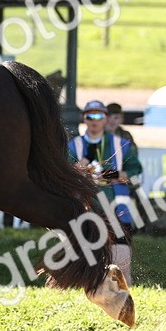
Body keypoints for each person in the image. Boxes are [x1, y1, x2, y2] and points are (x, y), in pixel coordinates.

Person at [68, 100, 142, 234]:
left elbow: (135, 171)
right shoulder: (74, 145)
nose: (94, 121)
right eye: (90, 116)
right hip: (85, 203)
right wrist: (84, 162)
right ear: (84, 118)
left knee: (120, 249)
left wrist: (114, 174)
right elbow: (66, 173)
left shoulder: (122, 144)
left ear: (106, 119)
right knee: (86, 247)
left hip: (116, 203)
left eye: (99, 116)